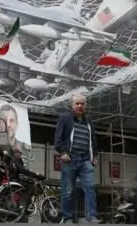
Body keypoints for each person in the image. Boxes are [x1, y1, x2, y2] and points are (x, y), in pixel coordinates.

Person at [54, 94, 99, 224]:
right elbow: (58, 139)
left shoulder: (89, 121)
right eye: (77, 103)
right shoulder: (65, 118)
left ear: (86, 105)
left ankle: (91, 216)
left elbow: (93, 140)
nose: (79, 106)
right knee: (68, 190)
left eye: (82, 104)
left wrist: (95, 155)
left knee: (90, 188)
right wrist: (63, 153)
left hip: (86, 160)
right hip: (70, 160)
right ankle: (67, 218)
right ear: (72, 105)